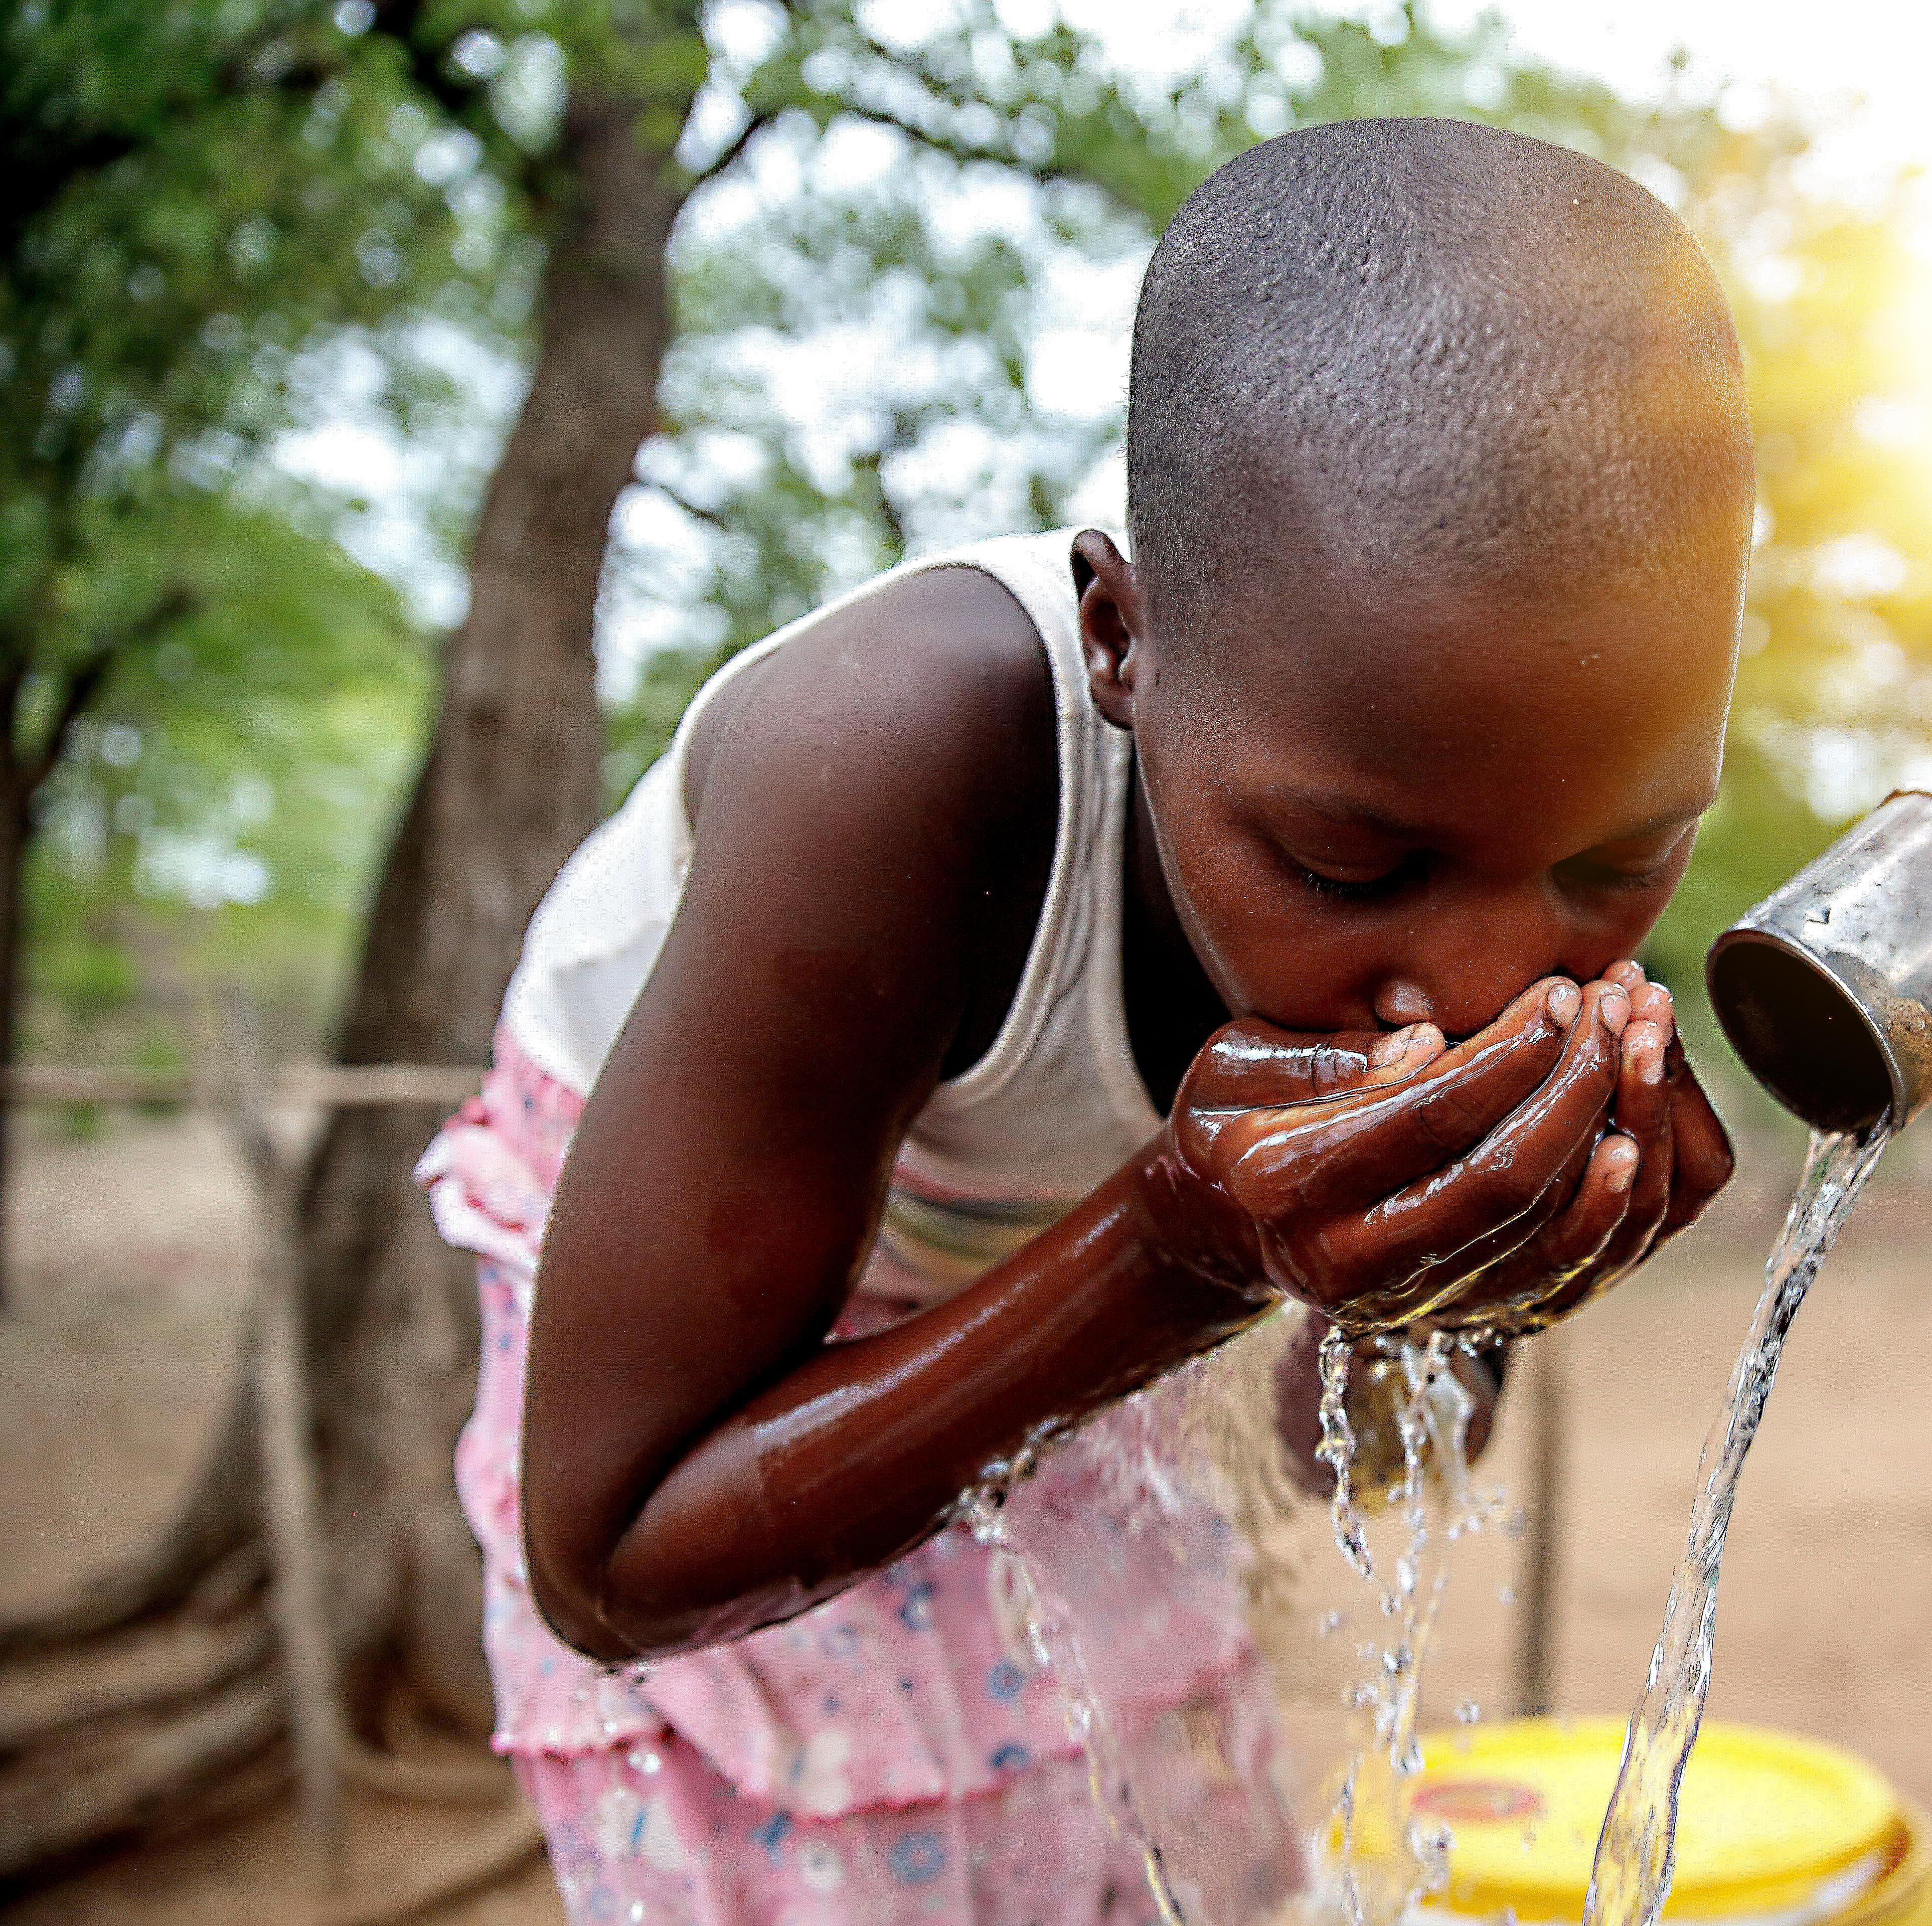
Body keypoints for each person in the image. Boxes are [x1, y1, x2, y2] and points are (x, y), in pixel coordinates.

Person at [419, 115, 1750, 1926]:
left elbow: (1323, 1449)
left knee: (1149, 1833)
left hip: (1068, 1266)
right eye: (1352, 865)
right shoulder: (894, 762)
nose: (1480, 989)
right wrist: (1182, 1254)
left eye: (1618, 858)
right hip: (698, 1314)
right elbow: (618, 1552)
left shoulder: (1415, 808)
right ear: (1122, 640)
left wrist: (1462, 1270)